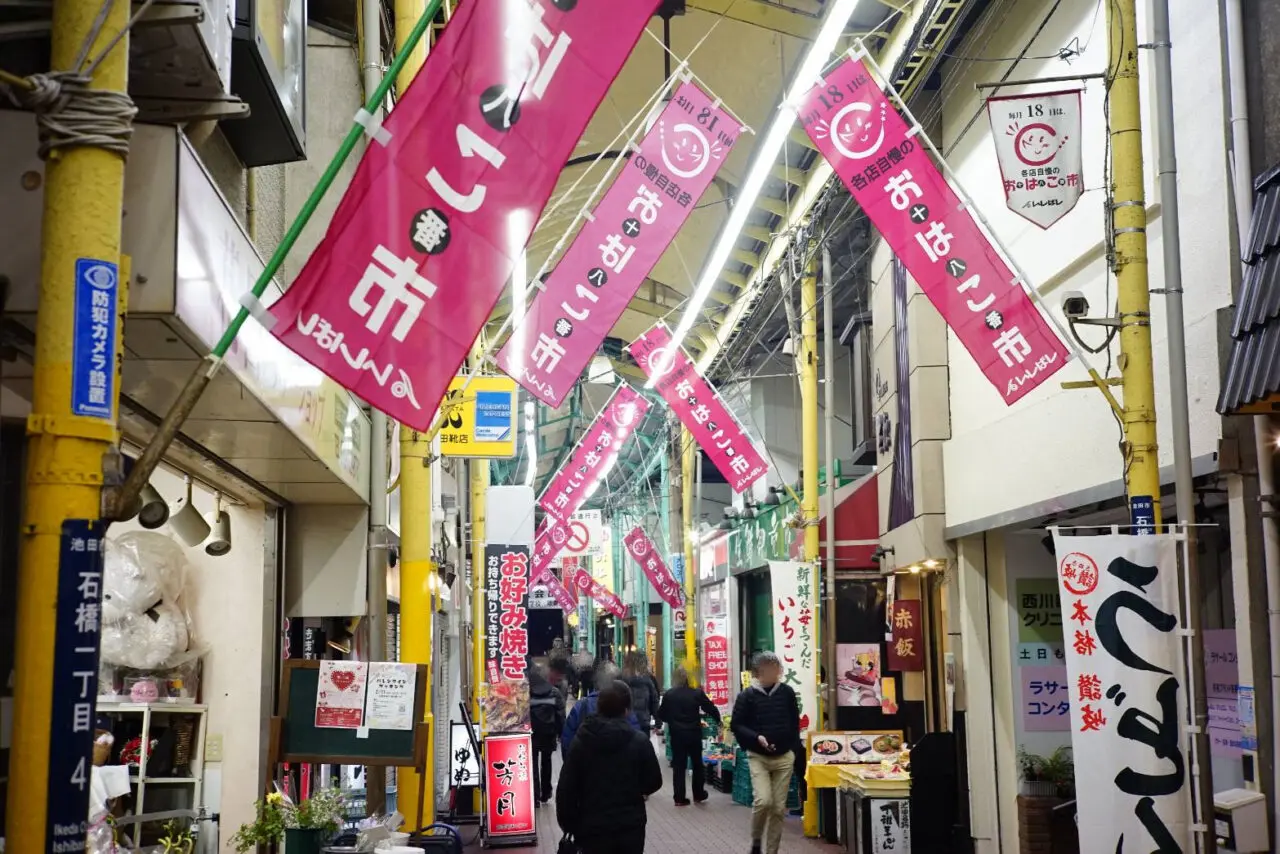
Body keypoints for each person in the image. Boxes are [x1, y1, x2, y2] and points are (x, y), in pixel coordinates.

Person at [555, 680, 662, 854]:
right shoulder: (639, 741)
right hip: (630, 827)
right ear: (627, 710)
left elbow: (566, 789)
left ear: (599, 707)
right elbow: (654, 781)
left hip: (591, 827)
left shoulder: (581, 742)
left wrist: (569, 825)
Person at [731, 651, 801, 854]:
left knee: (779, 809)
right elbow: (737, 724)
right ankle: (755, 840)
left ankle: (772, 851)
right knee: (763, 800)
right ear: (759, 673)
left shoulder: (787, 692)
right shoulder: (747, 696)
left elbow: (794, 722)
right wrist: (756, 738)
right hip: (758, 756)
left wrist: (793, 748)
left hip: (784, 757)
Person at [656, 666, 721, 806]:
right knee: (697, 764)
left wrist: (671, 721)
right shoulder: (696, 693)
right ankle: (698, 794)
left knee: (679, 765)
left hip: (677, 735)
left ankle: (679, 798)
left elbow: (661, 714)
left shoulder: (669, 695)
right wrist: (719, 721)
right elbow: (710, 708)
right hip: (693, 734)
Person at [561, 661, 639, 757]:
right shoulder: (624, 706)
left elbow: (567, 742)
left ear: (596, 682)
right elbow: (635, 739)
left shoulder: (581, 706)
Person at [528, 663, 565, 806]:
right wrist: (562, 733)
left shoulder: (527, 692)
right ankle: (546, 792)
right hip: (548, 733)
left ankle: (535, 795)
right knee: (547, 761)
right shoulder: (554, 692)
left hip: (532, 733)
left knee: (533, 763)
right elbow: (561, 715)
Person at [622, 651, 661, 739]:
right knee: (642, 748)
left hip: (626, 722)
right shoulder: (649, 680)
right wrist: (658, 722)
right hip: (643, 722)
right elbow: (654, 701)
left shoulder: (623, 679)